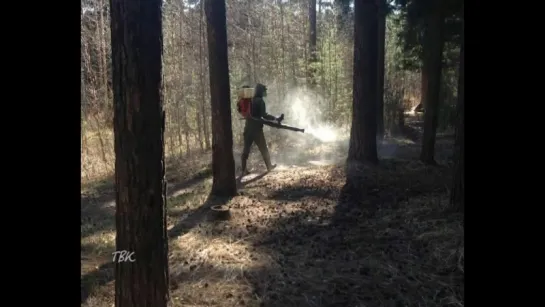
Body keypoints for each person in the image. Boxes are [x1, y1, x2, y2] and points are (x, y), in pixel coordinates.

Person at [240, 83, 281, 176]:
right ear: (261, 91)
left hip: (248, 129)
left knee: (246, 150)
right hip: (257, 131)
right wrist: (275, 118)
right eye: (264, 91)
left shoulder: (251, 100)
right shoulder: (260, 101)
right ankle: (269, 166)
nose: (265, 92)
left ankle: (243, 170)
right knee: (264, 149)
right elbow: (264, 115)